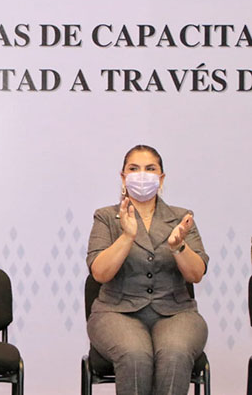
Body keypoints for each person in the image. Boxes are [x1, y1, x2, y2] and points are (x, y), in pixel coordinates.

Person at [86, 144, 208, 395]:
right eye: (134, 168)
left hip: (176, 313)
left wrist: (178, 247)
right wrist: (127, 236)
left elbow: (196, 274)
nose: (142, 175)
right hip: (116, 312)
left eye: (150, 169)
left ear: (161, 178)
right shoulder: (106, 217)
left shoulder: (182, 218)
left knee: (175, 353)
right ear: (123, 177)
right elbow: (100, 273)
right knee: (135, 354)